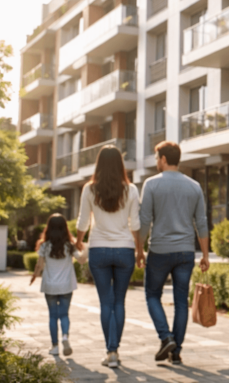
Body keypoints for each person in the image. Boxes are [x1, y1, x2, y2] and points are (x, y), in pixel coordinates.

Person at [138, 141, 209, 366]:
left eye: (157, 157)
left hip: (159, 251)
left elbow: (144, 221)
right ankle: (176, 351)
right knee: (181, 302)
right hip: (186, 252)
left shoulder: (151, 184)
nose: (156, 161)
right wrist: (205, 255)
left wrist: (139, 249)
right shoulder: (194, 186)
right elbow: (202, 222)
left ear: (164, 159)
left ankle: (165, 337)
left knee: (151, 295)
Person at [75, 145, 143, 369]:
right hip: (124, 250)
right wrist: (139, 249)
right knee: (119, 302)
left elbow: (83, 221)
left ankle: (110, 352)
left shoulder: (90, 189)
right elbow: (136, 223)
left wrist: (78, 240)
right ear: (120, 164)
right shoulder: (131, 189)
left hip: (99, 250)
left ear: (99, 164)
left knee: (106, 302)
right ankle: (116, 348)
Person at [30, 213, 86, 357]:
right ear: (65, 228)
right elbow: (81, 260)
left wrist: (34, 276)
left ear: (48, 228)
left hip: (50, 286)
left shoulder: (44, 246)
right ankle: (65, 338)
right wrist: (85, 248)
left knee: (53, 316)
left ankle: (54, 347)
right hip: (66, 286)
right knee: (64, 314)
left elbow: (40, 265)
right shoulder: (69, 246)